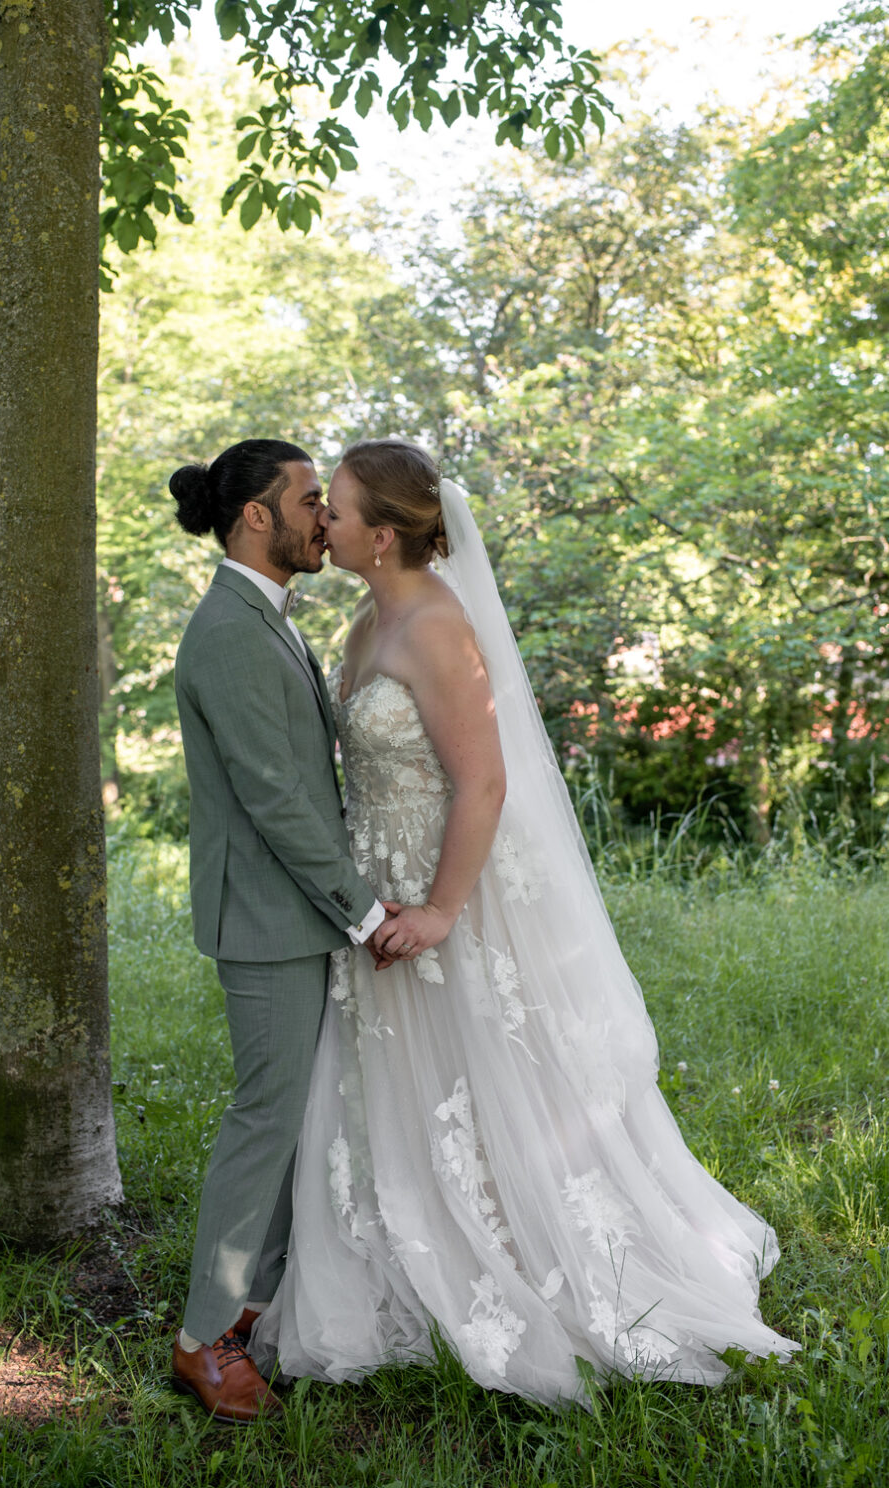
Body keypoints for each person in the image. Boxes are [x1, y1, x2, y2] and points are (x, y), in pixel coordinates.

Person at [249, 438, 797, 1406]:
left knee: (486, 1076)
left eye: (332, 509)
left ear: (382, 537)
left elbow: (485, 782)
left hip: (442, 894)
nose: (319, 523)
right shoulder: (359, 631)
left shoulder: (438, 630)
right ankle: (397, 1247)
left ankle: (526, 1248)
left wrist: (440, 912)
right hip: (373, 896)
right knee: (395, 1088)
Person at [167, 438, 397, 1424]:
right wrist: (366, 907)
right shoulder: (226, 630)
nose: (322, 517)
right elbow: (273, 797)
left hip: (293, 915)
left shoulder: (269, 619)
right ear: (255, 516)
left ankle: (257, 1303)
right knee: (265, 1123)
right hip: (266, 921)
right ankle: (201, 1338)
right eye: (309, 500)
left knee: (294, 1120)